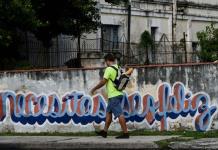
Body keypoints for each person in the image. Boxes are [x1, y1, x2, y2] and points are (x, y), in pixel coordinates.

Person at [90, 53, 130, 139]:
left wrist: (94, 89)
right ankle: (104, 132)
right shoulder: (118, 68)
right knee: (108, 113)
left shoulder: (109, 69)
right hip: (118, 93)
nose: (106, 63)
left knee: (119, 114)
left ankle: (126, 133)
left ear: (107, 61)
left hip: (113, 96)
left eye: (105, 62)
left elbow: (103, 82)